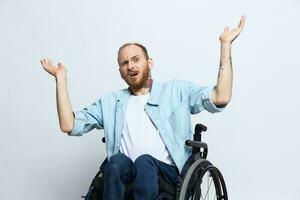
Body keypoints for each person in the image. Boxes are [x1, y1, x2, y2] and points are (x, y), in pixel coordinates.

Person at [41, 16, 245, 200]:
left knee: (144, 162)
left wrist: (225, 46)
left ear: (149, 63)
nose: (130, 66)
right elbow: (69, 124)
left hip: (169, 176)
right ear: (120, 71)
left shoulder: (176, 91)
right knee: (117, 161)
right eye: (124, 63)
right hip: (126, 177)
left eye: (135, 59)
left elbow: (221, 96)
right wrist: (61, 79)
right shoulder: (111, 102)